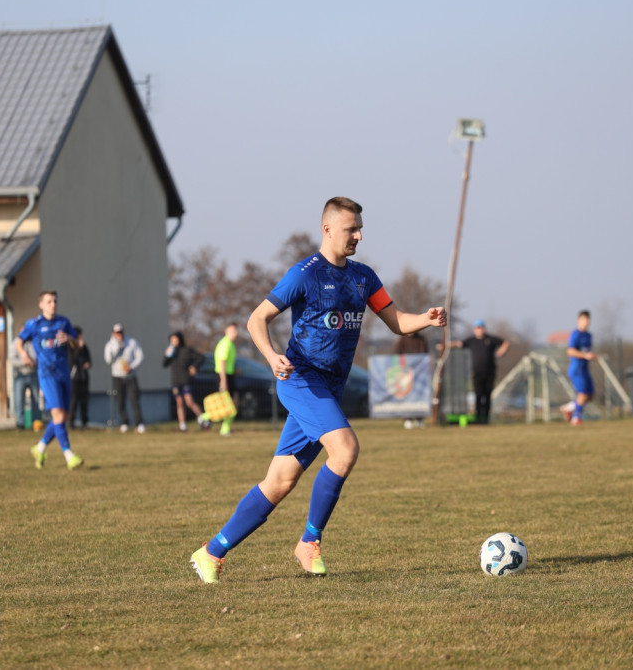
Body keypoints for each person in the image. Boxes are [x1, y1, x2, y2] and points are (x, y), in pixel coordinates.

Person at [190, 196, 447, 583]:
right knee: (345, 449)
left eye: (360, 228)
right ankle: (309, 542)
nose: (358, 236)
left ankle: (211, 552)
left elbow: (395, 321)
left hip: (327, 389)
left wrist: (424, 319)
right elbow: (257, 319)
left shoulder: (364, 277)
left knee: (280, 482)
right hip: (300, 380)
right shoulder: (304, 274)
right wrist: (272, 355)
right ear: (327, 229)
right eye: (351, 229)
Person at [17, 290, 84, 470]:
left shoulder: (63, 322)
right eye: (49, 301)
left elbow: (78, 344)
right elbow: (19, 341)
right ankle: (69, 456)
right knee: (58, 415)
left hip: (64, 372)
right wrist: (24, 355)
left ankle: (39, 448)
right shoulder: (34, 324)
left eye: (54, 301)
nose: (53, 304)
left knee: (64, 417)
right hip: (47, 373)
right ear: (41, 305)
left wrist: (69, 338)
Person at [448, 320, 509, 425]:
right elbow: (459, 344)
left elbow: (505, 343)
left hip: (490, 371)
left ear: (484, 328)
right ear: (474, 329)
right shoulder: (471, 340)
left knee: (487, 395)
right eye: (477, 328)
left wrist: (501, 352)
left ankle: (486, 419)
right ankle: (478, 418)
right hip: (477, 372)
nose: (479, 330)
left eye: (481, 328)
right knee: (478, 395)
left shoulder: (490, 339)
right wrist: (445, 346)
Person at [104, 323, 145, 433]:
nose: (119, 335)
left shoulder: (132, 343)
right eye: (117, 333)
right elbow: (108, 360)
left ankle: (139, 424)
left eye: (121, 332)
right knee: (120, 401)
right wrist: (117, 347)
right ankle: (124, 423)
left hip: (130, 376)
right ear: (113, 333)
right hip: (117, 376)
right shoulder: (110, 345)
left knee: (134, 400)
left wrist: (131, 367)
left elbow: (140, 357)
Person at [200, 323, 240, 437]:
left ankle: (224, 427)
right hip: (224, 376)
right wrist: (223, 380)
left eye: (236, 331)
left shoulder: (230, 344)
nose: (235, 333)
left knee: (232, 404)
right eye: (233, 331)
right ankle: (205, 417)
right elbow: (222, 362)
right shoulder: (225, 344)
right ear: (226, 332)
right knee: (228, 404)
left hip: (229, 375)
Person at [163, 331, 207, 432]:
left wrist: (194, 367)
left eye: (175, 339)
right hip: (176, 381)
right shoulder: (171, 352)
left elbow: (201, 357)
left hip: (186, 380)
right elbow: (164, 364)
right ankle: (182, 425)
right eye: (171, 340)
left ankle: (203, 420)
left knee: (189, 402)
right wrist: (166, 355)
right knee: (179, 403)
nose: (173, 341)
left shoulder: (186, 350)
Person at [561, 310, 596, 426]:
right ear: (579, 320)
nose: (586, 322)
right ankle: (576, 418)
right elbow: (570, 351)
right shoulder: (575, 335)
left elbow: (586, 352)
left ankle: (568, 408)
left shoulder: (589, 336)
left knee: (590, 395)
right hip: (576, 370)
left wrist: (591, 356)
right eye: (584, 319)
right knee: (583, 394)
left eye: (588, 319)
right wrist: (585, 355)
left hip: (585, 369)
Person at [395, 329, 428, 429]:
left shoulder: (421, 339)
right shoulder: (402, 340)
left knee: (419, 395)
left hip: (419, 373)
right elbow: (397, 353)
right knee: (407, 395)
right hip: (405, 373)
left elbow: (425, 353)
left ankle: (419, 419)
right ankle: (407, 419)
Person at [9, 338, 40, 429]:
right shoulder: (15, 343)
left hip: (33, 374)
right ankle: (20, 423)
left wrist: (33, 362)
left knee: (36, 399)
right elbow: (12, 359)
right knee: (19, 400)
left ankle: (36, 423)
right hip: (20, 375)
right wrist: (24, 362)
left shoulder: (34, 342)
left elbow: (39, 355)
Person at [68, 326, 92, 428]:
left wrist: (88, 363)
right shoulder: (69, 347)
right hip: (73, 378)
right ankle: (71, 421)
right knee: (73, 401)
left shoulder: (84, 347)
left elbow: (89, 359)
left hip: (83, 377)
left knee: (84, 401)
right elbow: (72, 361)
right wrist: (78, 349)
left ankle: (84, 421)